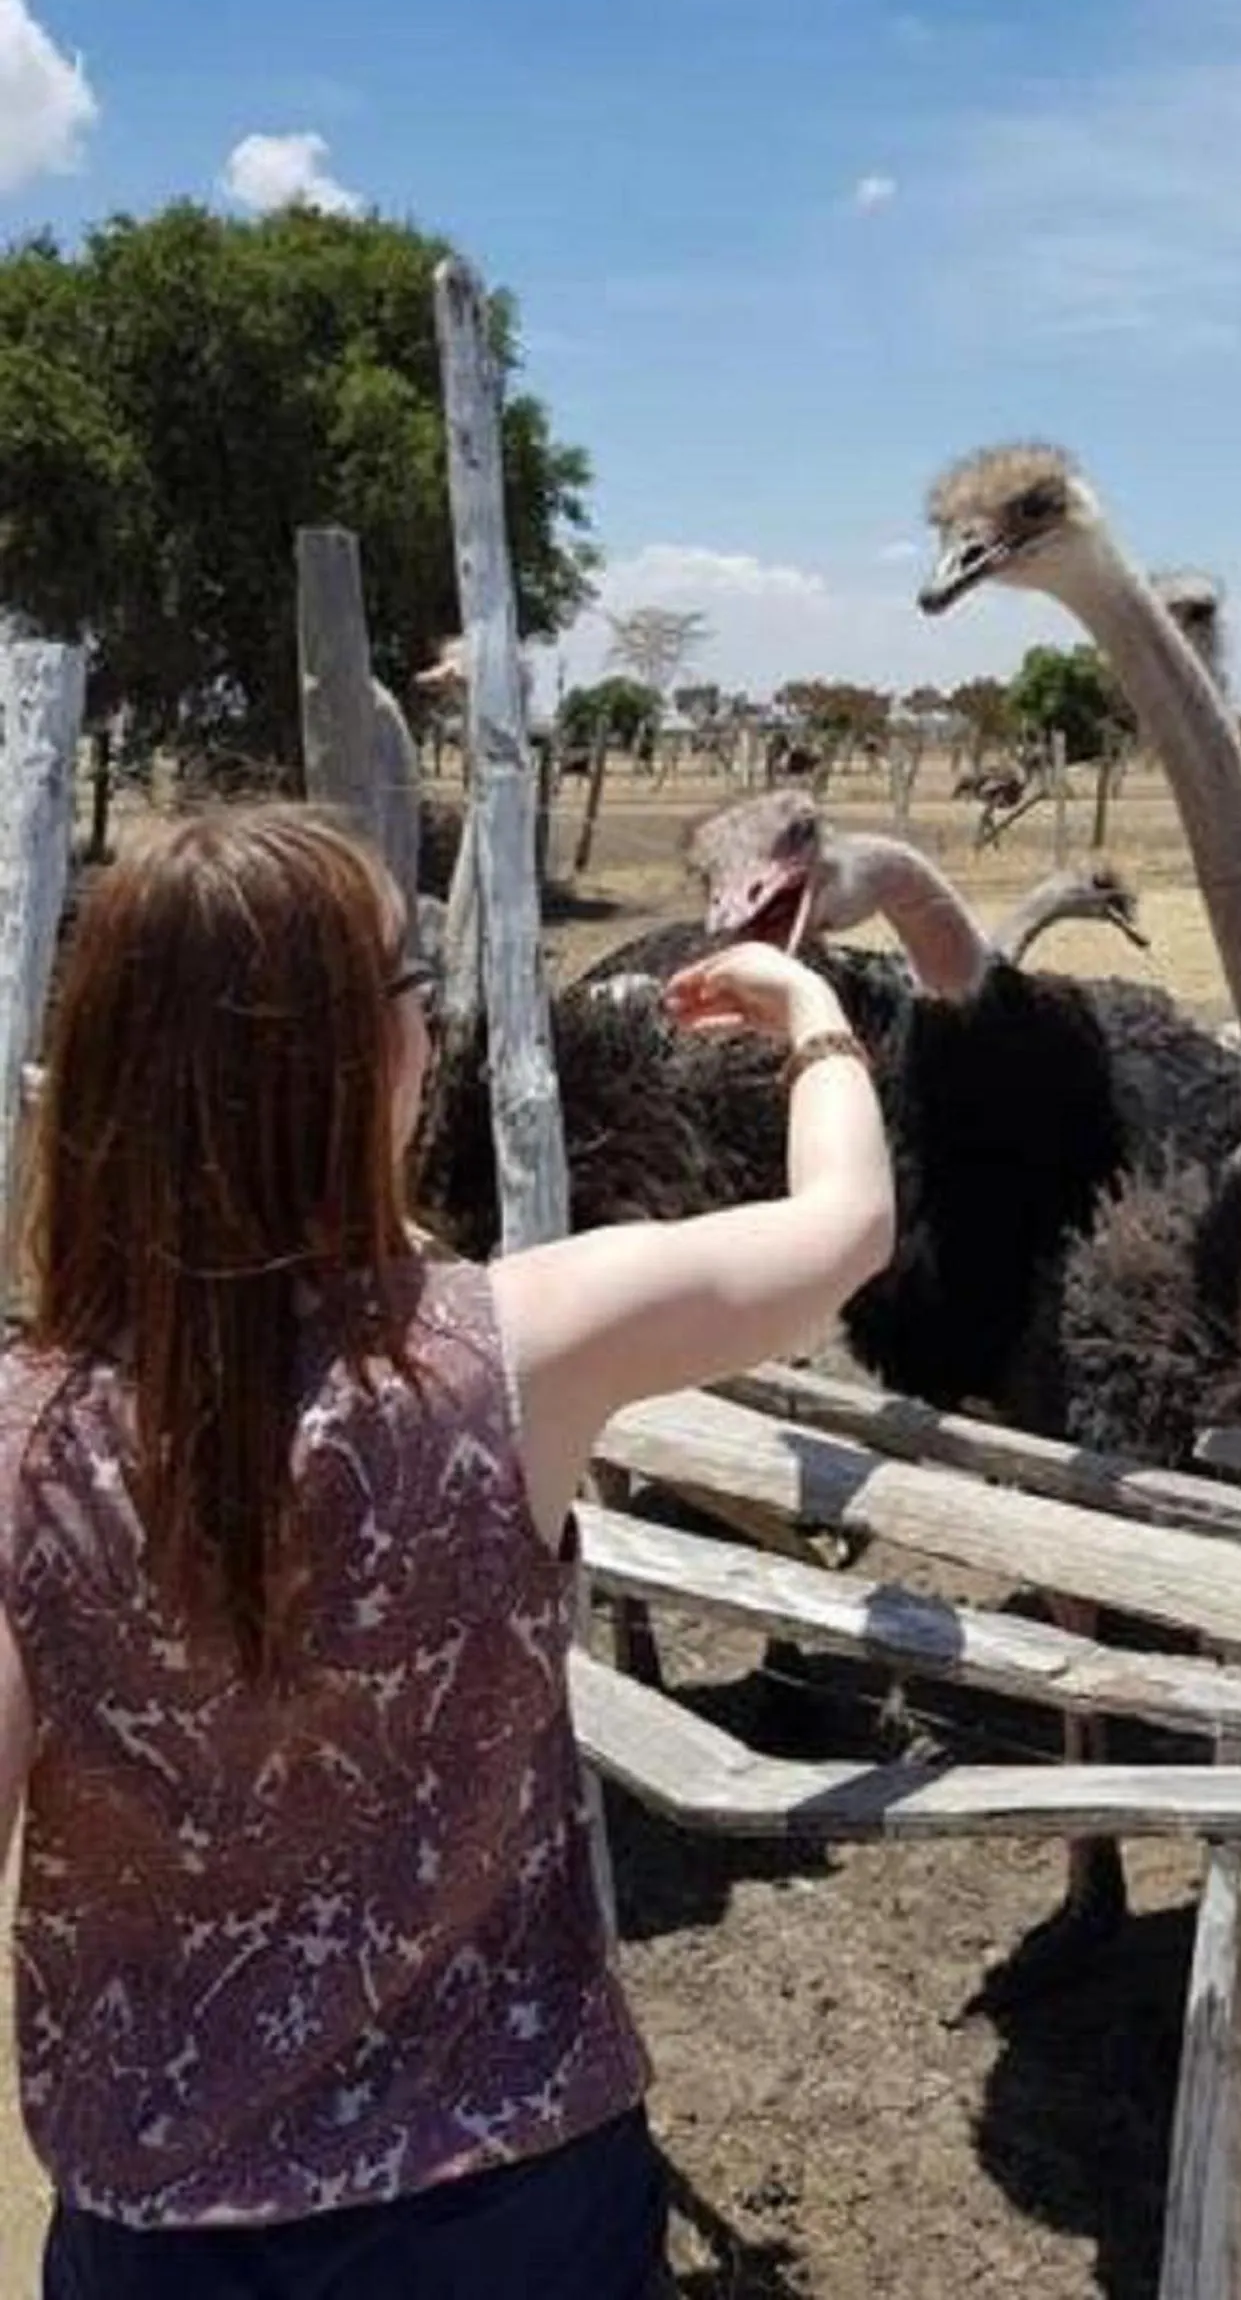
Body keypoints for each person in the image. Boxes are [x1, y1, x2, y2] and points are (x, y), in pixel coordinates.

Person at [0, 803, 893, 2297]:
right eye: (416, 992)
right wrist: (812, 1017)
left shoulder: (23, 1446)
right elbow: (844, 1227)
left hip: (167, 2231)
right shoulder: (519, 1348)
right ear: (373, 1059)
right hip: (517, 2195)